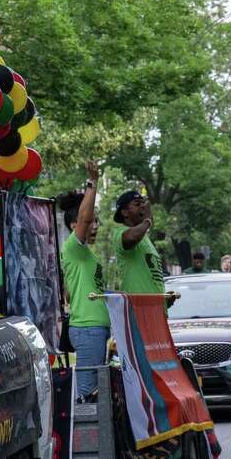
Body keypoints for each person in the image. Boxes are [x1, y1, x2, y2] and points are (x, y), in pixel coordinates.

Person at [60, 161, 108, 401]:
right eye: (92, 222)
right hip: (88, 329)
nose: (95, 225)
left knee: (96, 395)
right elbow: (85, 217)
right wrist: (93, 183)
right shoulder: (73, 248)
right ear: (74, 226)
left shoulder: (86, 255)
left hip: (96, 329)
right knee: (87, 397)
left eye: (97, 222)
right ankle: (83, 440)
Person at [110, 190, 175, 306]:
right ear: (125, 212)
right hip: (138, 310)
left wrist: (164, 299)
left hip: (157, 311)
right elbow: (131, 238)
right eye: (137, 204)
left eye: (143, 203)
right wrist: (148, 219)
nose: (143, 207)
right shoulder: (119, 233)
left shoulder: (146, 240)